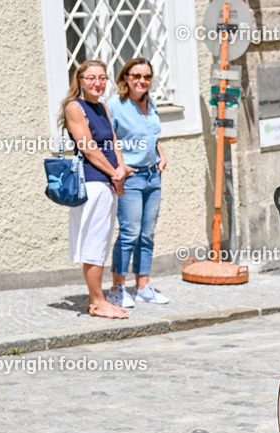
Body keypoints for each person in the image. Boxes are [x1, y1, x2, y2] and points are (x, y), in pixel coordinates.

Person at [59, 60, 128, 319]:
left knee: (102, 240)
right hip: (91, 182)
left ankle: (94, 297)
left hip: (108, 182)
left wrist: (120, 170)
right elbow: (87, 147)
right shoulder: (75, 107)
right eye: (91, 78)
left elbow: (112, 141)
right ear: (80, 81)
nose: (98, 83)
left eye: (102, 78)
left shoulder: (104, 108)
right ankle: (98, 302)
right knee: (94, 242)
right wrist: (113, 172)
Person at [106, 58, 169, 307]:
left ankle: (143, 286)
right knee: (129, 233)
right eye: (136, 76)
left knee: (147, 234)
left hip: (153, 176)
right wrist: (119, 168)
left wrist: (161, 155)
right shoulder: (115, 105)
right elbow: (106, 140)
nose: (142, 81)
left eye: (147, 77)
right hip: (131, 178)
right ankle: (117, 287)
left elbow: (152, 136)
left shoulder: (149, 103)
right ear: (126, 78)